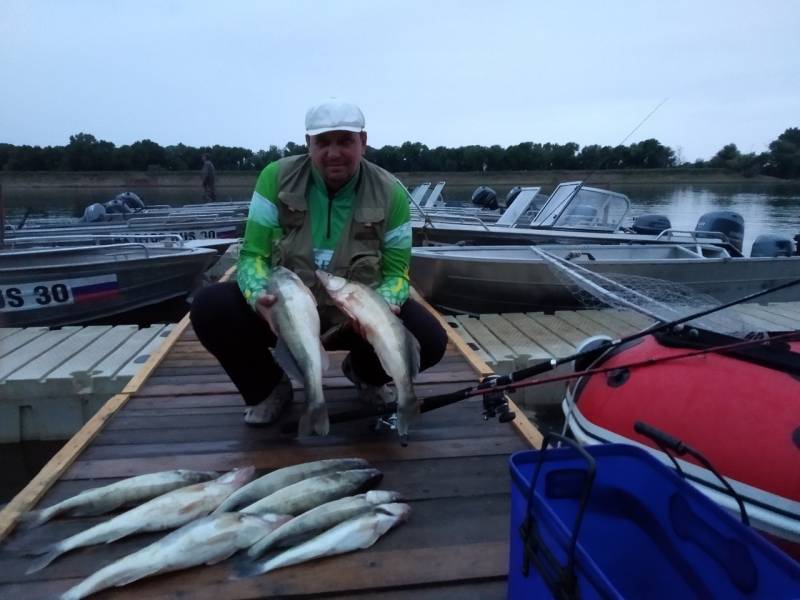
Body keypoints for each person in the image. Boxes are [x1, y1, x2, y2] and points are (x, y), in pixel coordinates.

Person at [190, 99, 448, 426]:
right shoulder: (275, 177)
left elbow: (398, 275)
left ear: (363, 142)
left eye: (345, 141)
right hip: (287, 316)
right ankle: (268, 389)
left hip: (352, 319)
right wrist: (260, 300)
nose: (334, 152)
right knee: (210, 305)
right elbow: (253, 256)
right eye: (323, 142)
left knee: (430, 338)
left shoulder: (391, 192)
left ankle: (367, 374)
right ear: (308, 144)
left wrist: (381, 308)